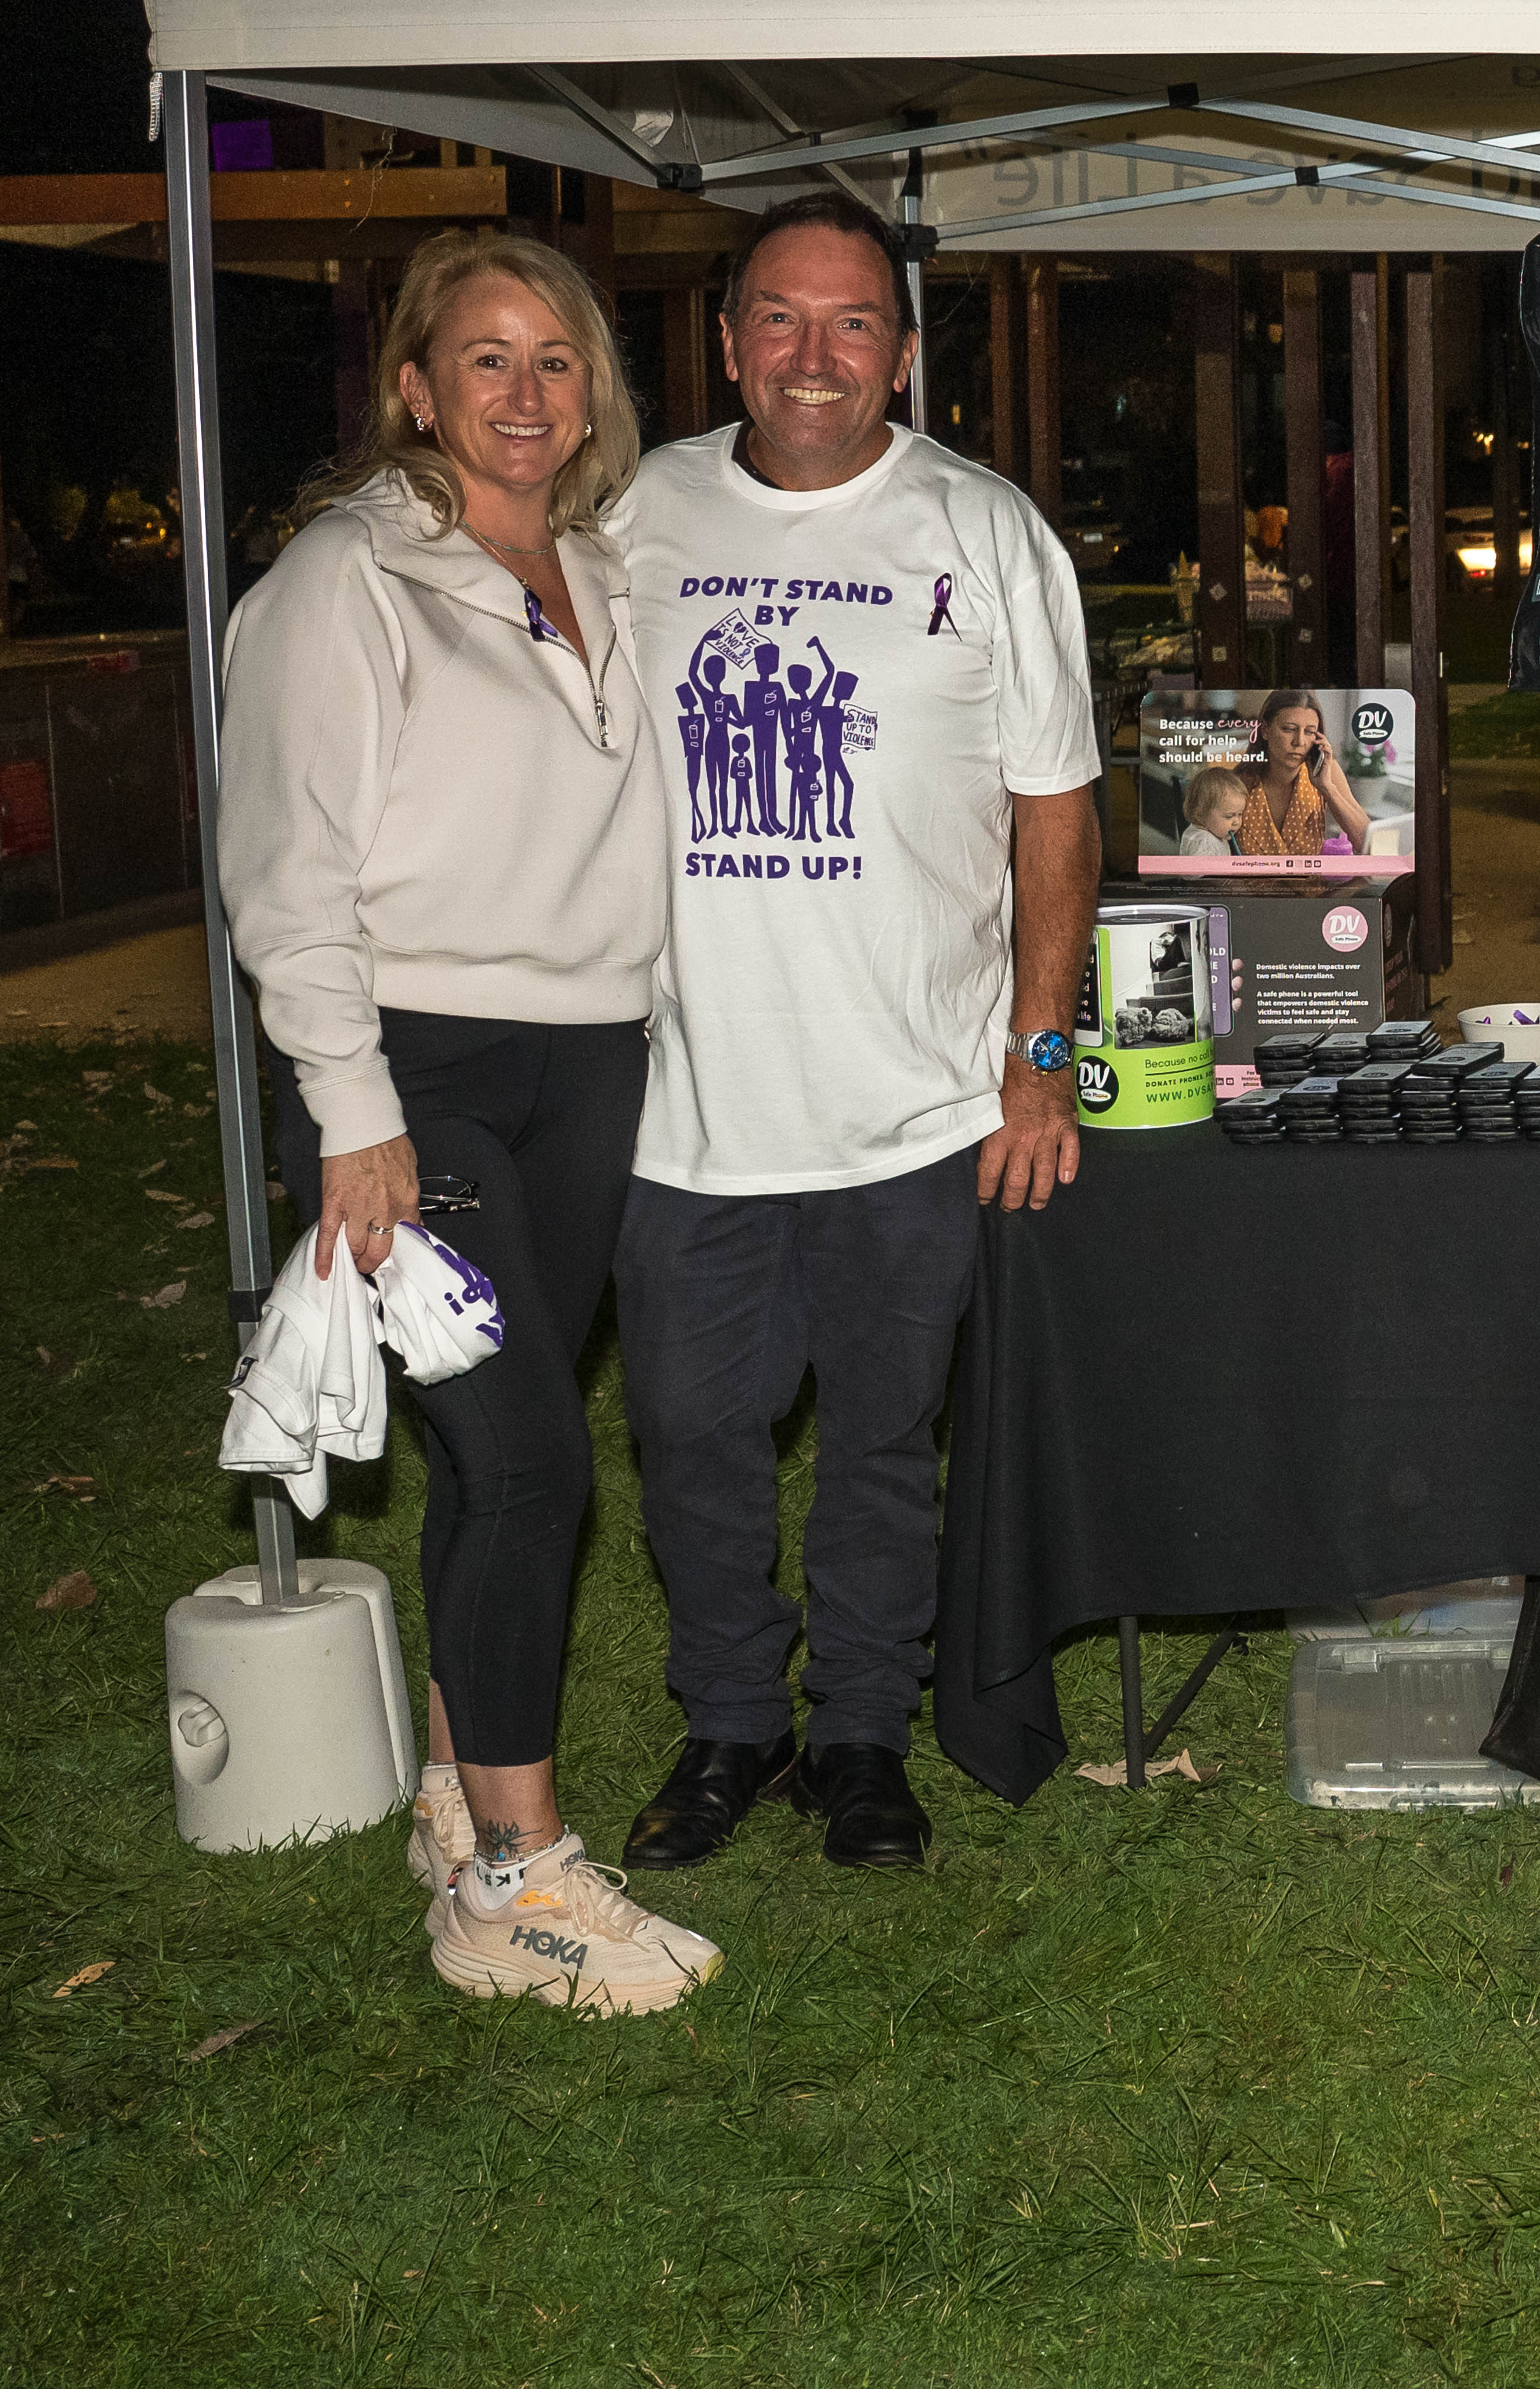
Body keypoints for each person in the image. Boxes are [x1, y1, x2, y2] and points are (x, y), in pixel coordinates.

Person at [218, 230, 718, 2014]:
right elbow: (286, 879)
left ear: (595, 389)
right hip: (416, 1068)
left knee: (492, 1454)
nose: (524, 395)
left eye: (556, 360)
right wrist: (349, 1111)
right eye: (483, 361)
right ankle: (515, 1878)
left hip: (588, 1057)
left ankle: (448, 1791)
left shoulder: (605, 564)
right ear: (414, 387)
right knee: (526, 1456)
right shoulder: (343, 582)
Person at [612, 189, 1104, 1879]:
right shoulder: (634, 512)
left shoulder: (981, 530)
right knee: (690, 1431)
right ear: (728, 335)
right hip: (687, 1100)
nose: (812, 356)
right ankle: (732, 1717)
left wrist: (1037, 1060)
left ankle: (862, 1736)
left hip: (913, 1098)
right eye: (778, 317)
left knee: (887, 1441)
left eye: (851, 324)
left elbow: (1055, 811)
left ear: (901, 351)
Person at [1242, 688, 1372, 857]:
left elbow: (1367, 843)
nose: (1299, 742)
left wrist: (1328, 789)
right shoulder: (1239, 783)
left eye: (1310, 732)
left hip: (1310, 884)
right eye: (1289, 729)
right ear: (1266, 730)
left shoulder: (1326, 772)